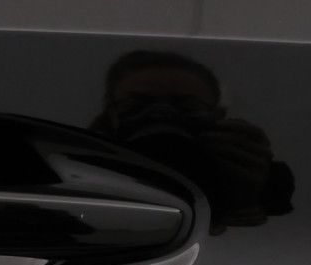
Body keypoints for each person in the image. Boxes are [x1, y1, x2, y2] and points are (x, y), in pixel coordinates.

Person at [89, 50, 295, 230]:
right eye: (136, 103)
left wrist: (254, 190)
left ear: (217, 117)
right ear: (110, 116)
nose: (161, 114)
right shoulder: (82, 163)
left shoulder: (251, 169)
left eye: (188, 106)